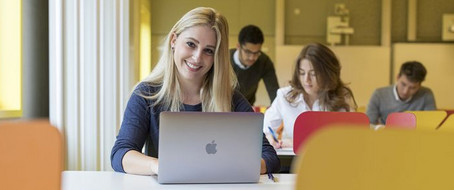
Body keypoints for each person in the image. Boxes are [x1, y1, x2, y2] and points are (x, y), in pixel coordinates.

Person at [110, 7, 280, 176]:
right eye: (191, 44)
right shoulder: (146, 94)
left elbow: (270, 157)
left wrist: (233, 168)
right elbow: (121, 154)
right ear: (173, 41)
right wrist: (159, 166)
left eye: (208, 50)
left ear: (216, 57)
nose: (197, 57)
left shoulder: (231, 99)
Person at [263, 43, 357, 148]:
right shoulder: (285, 96)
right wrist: (270, 138)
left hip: (330, 159)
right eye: (302, 73)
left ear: (328, 73)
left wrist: (292, 142)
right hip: (291, 161)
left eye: (313, 74)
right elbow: (266, 129)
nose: (306, 80)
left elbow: (350, 137)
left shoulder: (342, 98)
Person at [366, 61, 436, 125]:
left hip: (416, 136)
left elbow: (431, 125)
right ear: (397, 77)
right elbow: (369, 124)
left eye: (412, 88)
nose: (405, 91)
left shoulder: (426, 95)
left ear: (419, 85)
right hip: (386, 135)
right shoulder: (379, 95)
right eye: (403, 84)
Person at [230, 25, 279, 105]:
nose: (252, 57)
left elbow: (274, 93)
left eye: (256, 52)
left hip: (246, 108)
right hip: (221, 107)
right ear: (238, 46)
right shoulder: (224, 59)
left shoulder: (264, 62)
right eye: (248, 52)